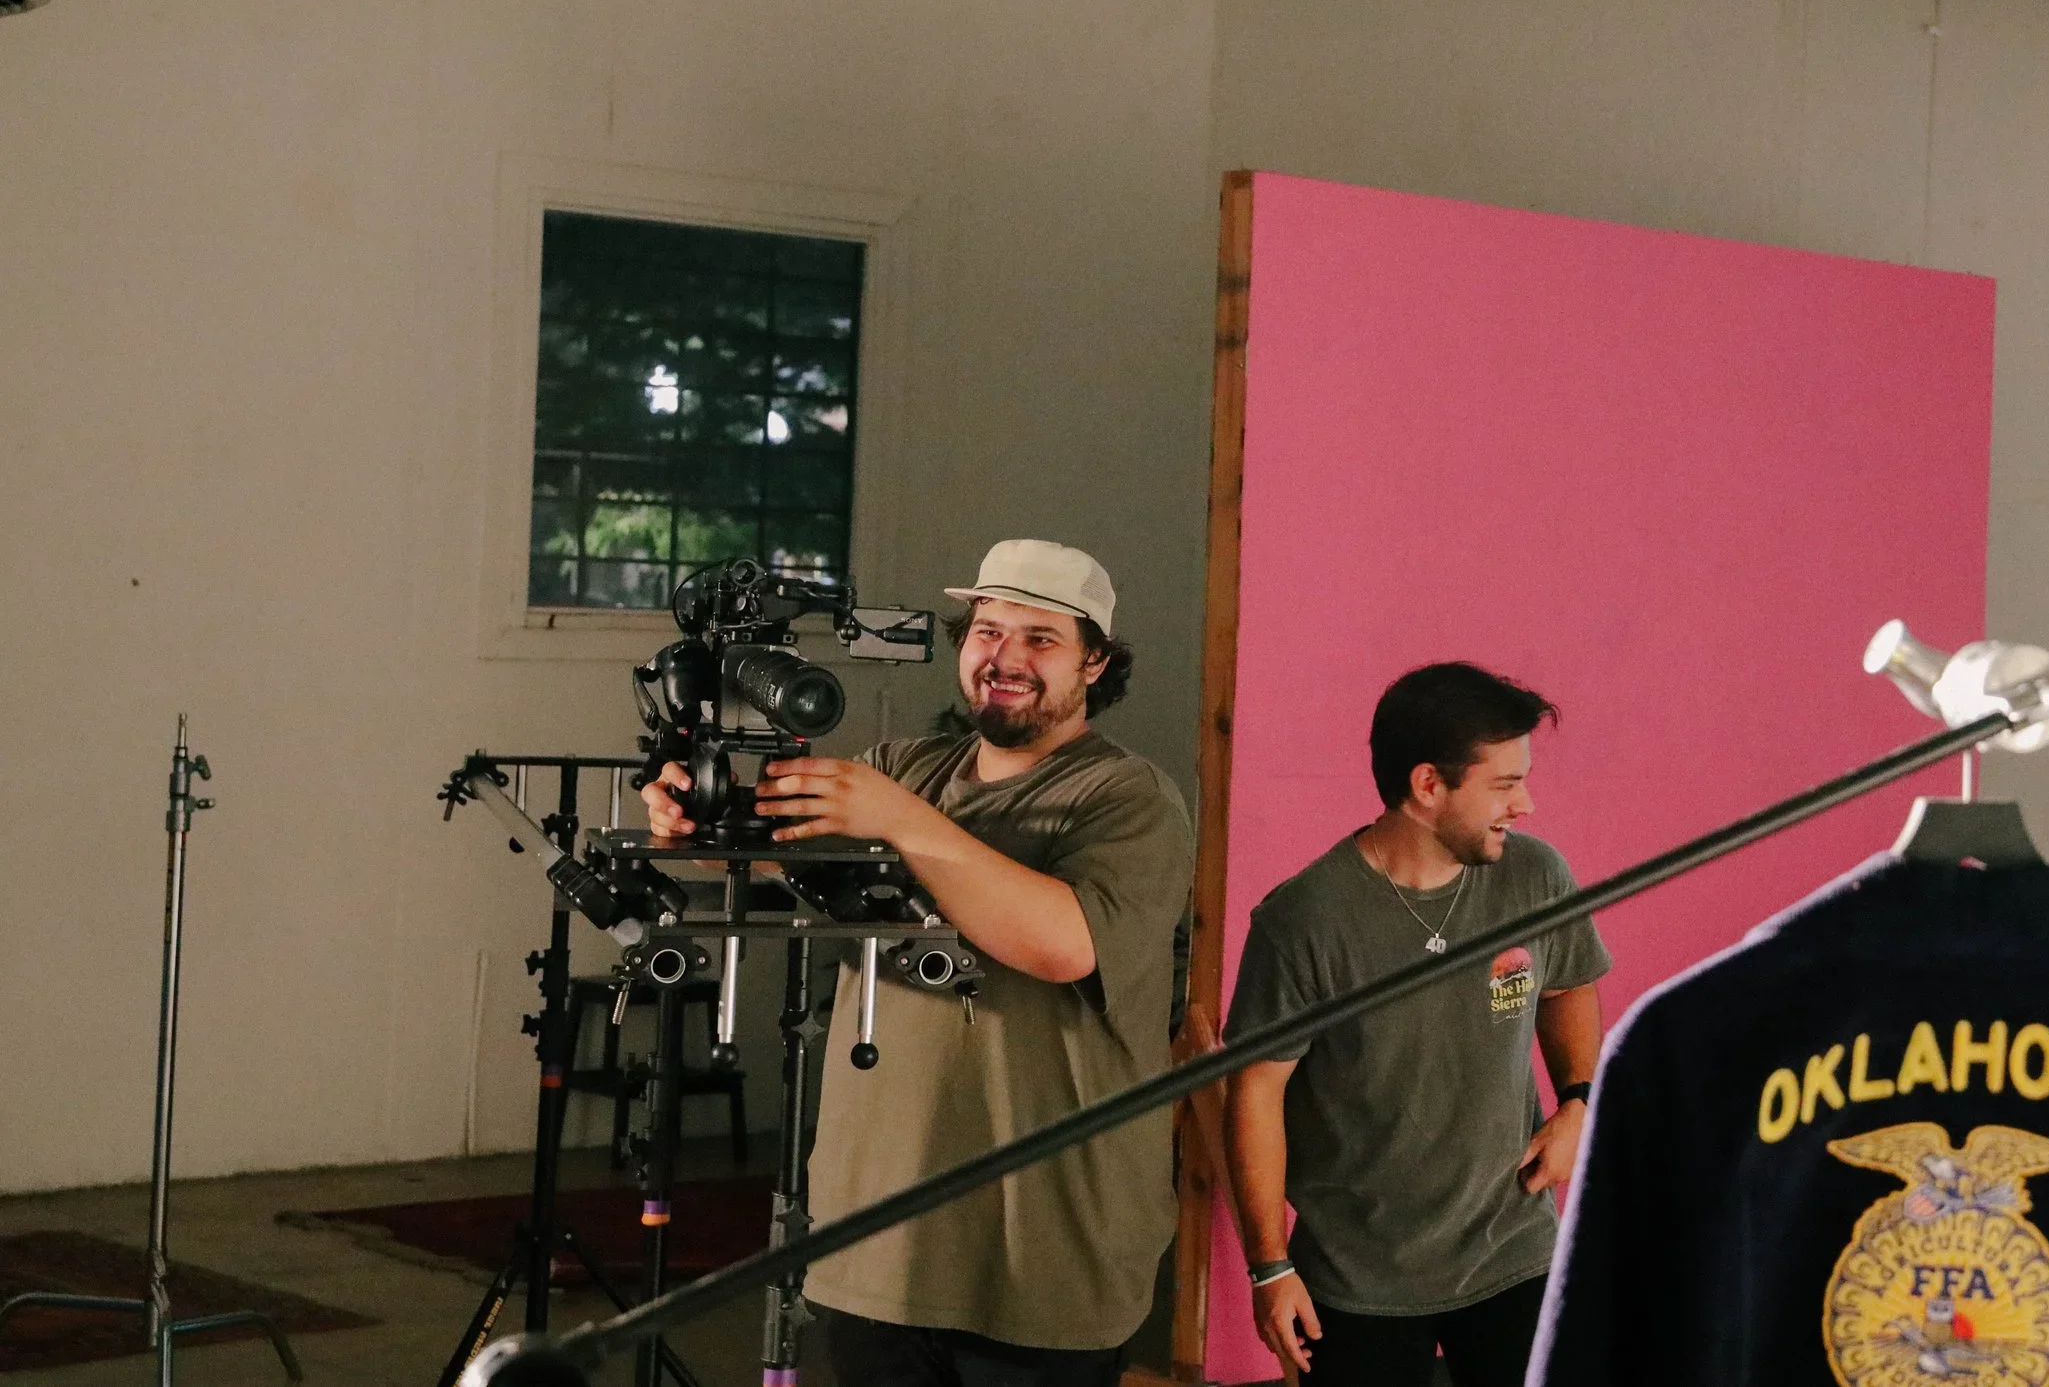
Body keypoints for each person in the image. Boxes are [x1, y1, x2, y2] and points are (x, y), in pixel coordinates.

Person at [642, 539, 1195, 1387]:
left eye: (1040, 639)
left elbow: (1064, 942)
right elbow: (763, 843)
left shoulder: (1127, 797)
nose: (1004, 658)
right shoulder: (903, 769)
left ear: (1097, 662)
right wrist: (692, 811)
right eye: (986, 630)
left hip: (1044, 1252)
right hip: (880, 1247)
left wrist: (901, 821)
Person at [1221, 662, 1611, 1387]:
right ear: (1428, 786)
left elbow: (1569, 983)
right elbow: (1255, 1092)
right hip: (1358, 1275)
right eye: (1503, 784)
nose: (1524, 803)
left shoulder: (1535, 877)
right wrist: (1269, 1266)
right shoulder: (1304, 920)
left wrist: (1578, 1100)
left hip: (1513, 1252)